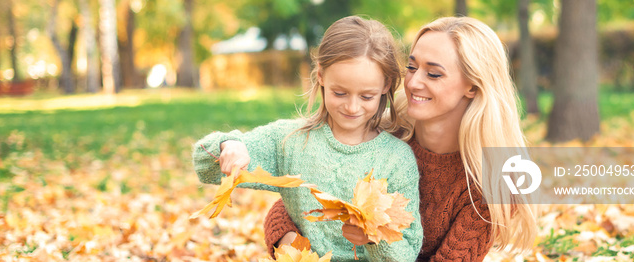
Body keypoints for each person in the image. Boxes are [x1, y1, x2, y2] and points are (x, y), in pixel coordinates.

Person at [264, 16, 538, 261]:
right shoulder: (380, 139)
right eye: (411, 67)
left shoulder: (491, 186)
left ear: (472, 86)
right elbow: (293, 206)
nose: (414, 82)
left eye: (433, 73)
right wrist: (294, 247)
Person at [193, 16, 423, 261]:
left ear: (386, 85)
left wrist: (373, 238)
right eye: (340, 92)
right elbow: (204, 165)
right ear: (321, 76)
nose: (352, 106)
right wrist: (230, 146)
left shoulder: (397, 159)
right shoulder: (292, 141)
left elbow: (406, 254)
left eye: (366, 96)